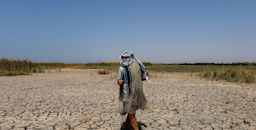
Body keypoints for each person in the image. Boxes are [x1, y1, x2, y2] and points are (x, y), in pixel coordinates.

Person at [117, 50, 150, 130]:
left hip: (127, 95)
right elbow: (144, 77)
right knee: (131, 111)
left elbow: (120, 82)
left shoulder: (122, 68)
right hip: (137, 93)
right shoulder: (138, 66)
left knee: (132, 115)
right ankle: (126, 125)